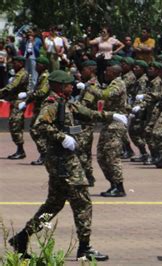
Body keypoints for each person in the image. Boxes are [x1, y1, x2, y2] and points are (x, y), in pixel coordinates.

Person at [8, 70, 128, 261]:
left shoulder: (65, 103)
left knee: (53, 205)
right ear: (58, 86)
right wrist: (62, 137)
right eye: (68, 84)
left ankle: (22, 237)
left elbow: (86, 113)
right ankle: (84, 247)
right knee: (83, 203)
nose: (72, 86)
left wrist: (112, 115)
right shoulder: (52, 104)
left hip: (61, 162)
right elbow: (40, 126)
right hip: (63, 162)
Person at [86, 61, 128, 197]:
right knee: (101, 156)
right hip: (108, 123)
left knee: (112, 156)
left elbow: (106, 95)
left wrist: (90, 88)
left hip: (116, 124)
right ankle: (113, 184)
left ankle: (119, 187)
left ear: (115, 73)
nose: (105, 73)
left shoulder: (118, 83)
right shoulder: (111, 83)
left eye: (108, 71)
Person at [18, 56, 50, 165]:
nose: (36, 66)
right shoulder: (41, 76)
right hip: (39, 107)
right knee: (38, 131)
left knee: (36, 130)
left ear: (44, 66)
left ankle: (45, 155)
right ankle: (45, 154)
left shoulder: (45, 77)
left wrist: (27, 96)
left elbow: (41, 92)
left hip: (43, 108)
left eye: (39, 64)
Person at [74, 60, 100, 186]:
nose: (81, 73)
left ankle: (87, 176)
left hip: (85, 123)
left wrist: (71, 105)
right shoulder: (87, 85)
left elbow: (84, 105)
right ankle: (87, 176)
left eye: (83, 70)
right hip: (80, 123)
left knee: (82, 149)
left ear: (90, 70)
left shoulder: (92, 86)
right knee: (81, 149)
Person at [0, 56, 29, 159]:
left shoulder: (21, 74)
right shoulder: (18, 74)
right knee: (14, 125)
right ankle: (20, 150)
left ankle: (20, 151)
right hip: (15, 102)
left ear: (21, 64)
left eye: (15, 63)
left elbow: (11, 87)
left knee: (15, 125)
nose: (13, 64)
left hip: (18, 103)